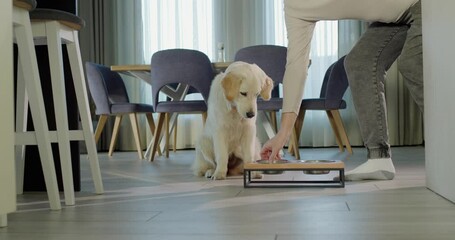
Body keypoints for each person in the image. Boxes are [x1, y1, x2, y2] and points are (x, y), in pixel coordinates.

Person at [260, 0, 423, 181]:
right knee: (360, 63)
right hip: (395, 19)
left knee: (412, 63)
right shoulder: (295, 8)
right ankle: (379, 158)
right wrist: (283, 133)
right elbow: (296, 66)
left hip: (422, 6)